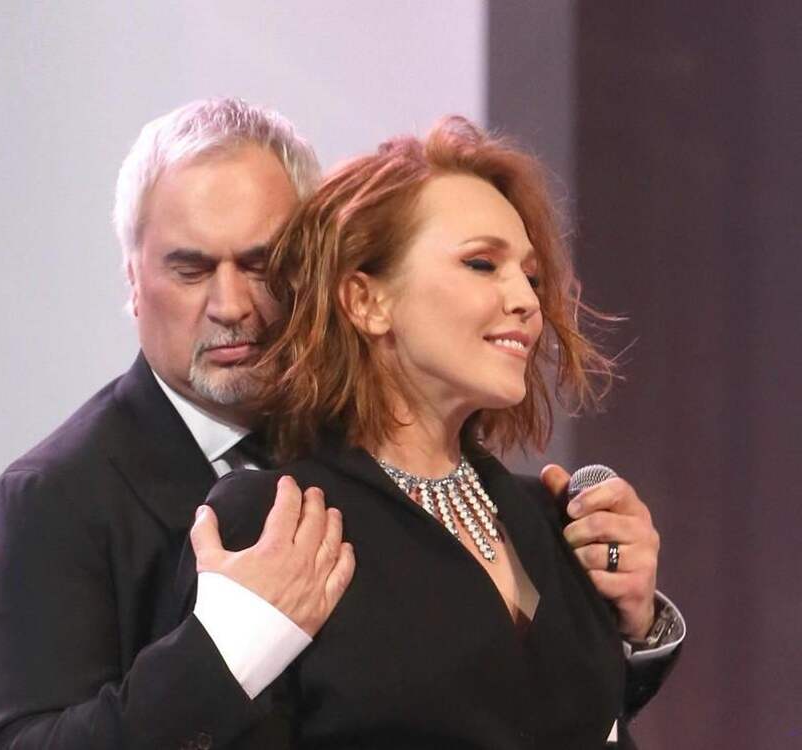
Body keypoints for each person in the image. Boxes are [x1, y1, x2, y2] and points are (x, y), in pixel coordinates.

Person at [178, 116, 684, 748]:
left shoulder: (552, 521)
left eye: (530, 276)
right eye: (482, 264)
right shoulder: (279, 523)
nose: (527, 301)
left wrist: (639, 624)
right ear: (366, 301)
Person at [0, 98, 356, 750]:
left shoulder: (365, 450)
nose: (231, 305)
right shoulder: (51, 499)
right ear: (133, 280)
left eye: (260, 265)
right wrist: (231, 645)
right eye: (191, 270)